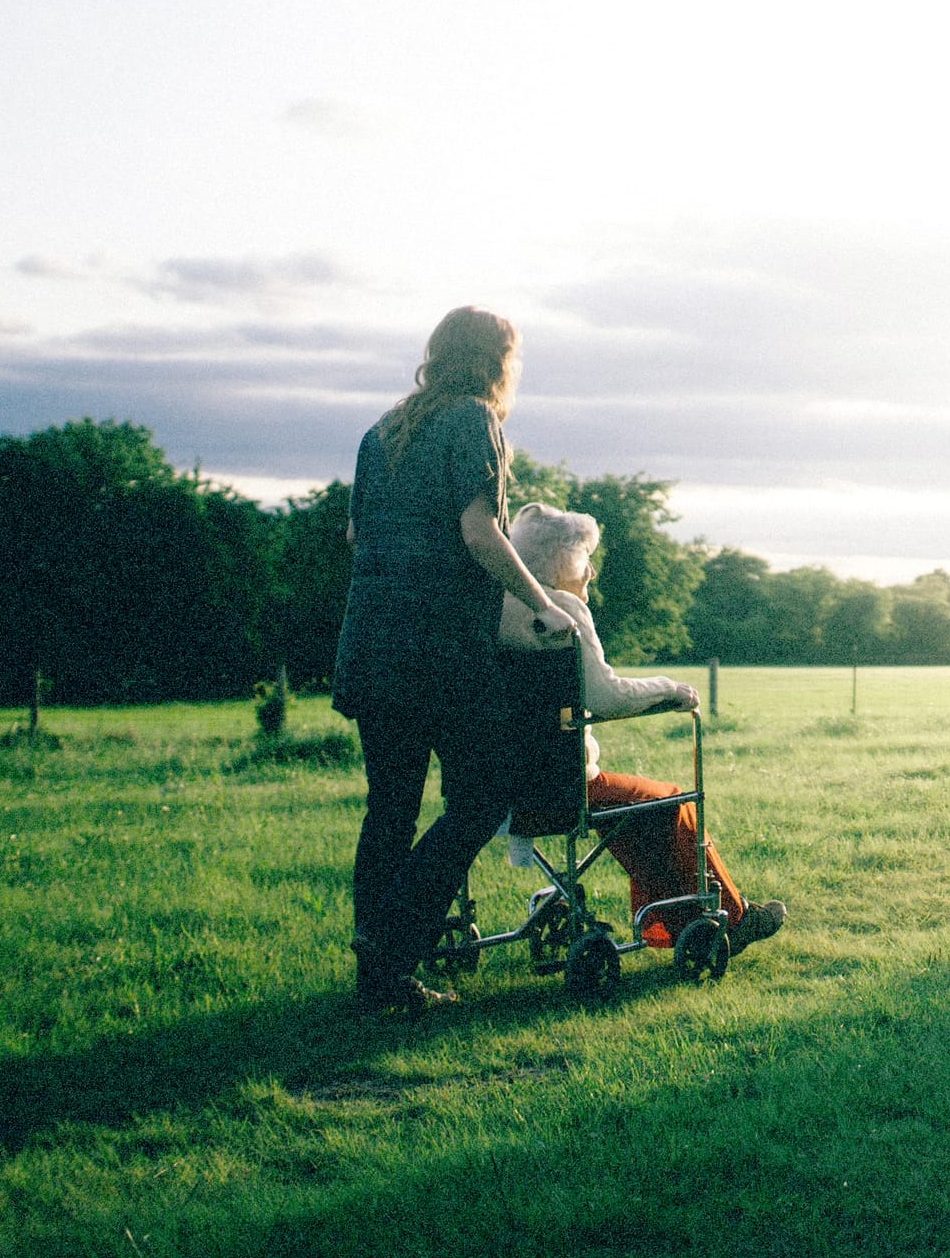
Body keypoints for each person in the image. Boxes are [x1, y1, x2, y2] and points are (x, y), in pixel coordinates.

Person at [331, 307, 576, 1013]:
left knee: (392, 807)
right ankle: (392, 938)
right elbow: (479, 530)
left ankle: (378, 981)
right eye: (513, 357)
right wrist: (541, 602)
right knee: (482, 797)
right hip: (437, 651)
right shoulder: (474, 421)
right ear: (495, 360)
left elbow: (357, 534)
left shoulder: (381, 433)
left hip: (371, 645)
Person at [499, 502, 786, 954]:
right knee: (670, 800)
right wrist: (668, 688)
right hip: (563, 787)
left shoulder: (496, 608)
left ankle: (676, 925)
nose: (591, 571)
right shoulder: (562, 609)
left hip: (500, 789)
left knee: (638, 810)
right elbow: (606, 698)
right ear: (560, 562)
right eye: (584, 559)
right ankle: (731, 916)